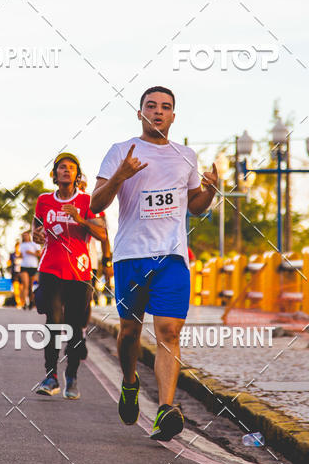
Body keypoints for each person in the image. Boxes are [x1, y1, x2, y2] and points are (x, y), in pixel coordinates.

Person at [91, 86, 218, 441]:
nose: (158, 112)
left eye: (165, 107)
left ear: (174, 115)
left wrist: (210, 190)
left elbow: (194, 205)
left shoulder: (185, 156)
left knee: (169, 333)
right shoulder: (120, 152)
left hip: (172, 258)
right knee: (130, 332)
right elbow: (95, 205)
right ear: (140, 113)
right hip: (131, 256)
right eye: (151, 106)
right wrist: (120, 176)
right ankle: (130, 383)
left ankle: (165, 410)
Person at [32, 153, 106, 399]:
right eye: (62, 167)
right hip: (50, 268)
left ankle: (71, 375)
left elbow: (102, 234)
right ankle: (50, 375)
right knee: (53, 322)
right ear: (54, 174)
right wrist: (37, 236)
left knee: (74, 326)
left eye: (71, 168)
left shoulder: (87, 201)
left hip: (80, 272)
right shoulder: (43, 200)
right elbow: (36, 229)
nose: (66, 171)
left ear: (77, 174)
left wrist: (79, 219)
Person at [19, 231, 40, 308]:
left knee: (30, 286)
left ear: (29, 236)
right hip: (24, 266)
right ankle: (24, 303)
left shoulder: (34, 244)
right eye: (24, 236)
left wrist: (31, 253)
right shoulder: (21, 245)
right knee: (25, 285)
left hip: (33, 266)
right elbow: (21, 255)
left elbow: (39, 254)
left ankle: (31, 302)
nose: (25, 237)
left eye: (26, 235)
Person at [9, 241, 24, 308]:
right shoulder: (12, 255)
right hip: (15, 273)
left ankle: (22, 302)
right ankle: (18, 302)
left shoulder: (23, 255)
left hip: (22, 272)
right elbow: (9, 262)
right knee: (16, 289)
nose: (18, 248)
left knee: (22, 288)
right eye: (17, 247)